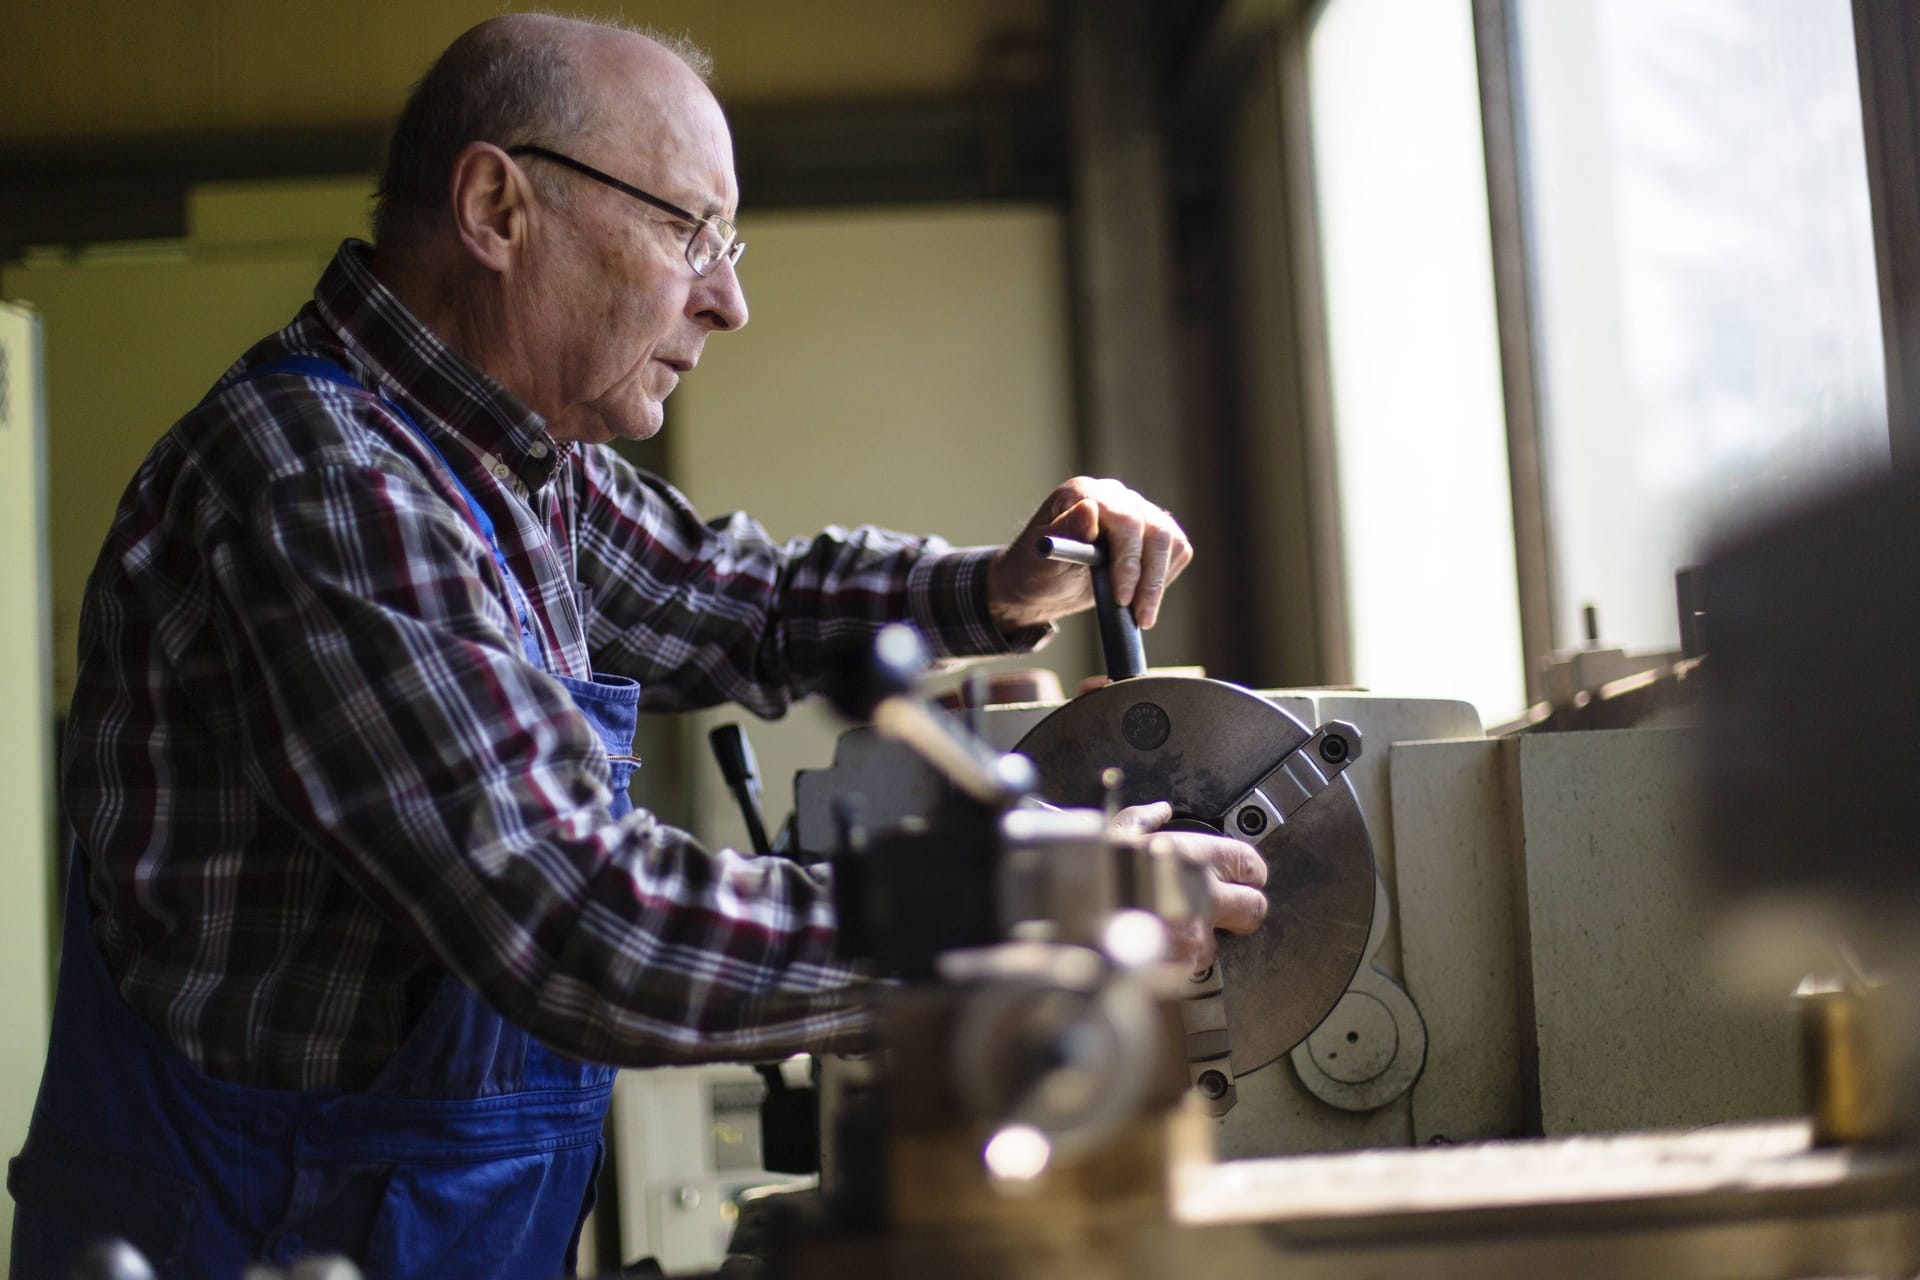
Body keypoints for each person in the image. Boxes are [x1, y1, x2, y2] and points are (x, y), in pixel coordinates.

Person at [8, 15, 1267, 1279]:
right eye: (690, 233)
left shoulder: (514, 467)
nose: (728, 299)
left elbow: (749, 602)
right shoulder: (324, 480)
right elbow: (583, 920)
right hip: (253, 1235)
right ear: (498, 207)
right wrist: (1020, 902)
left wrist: (998, 587)